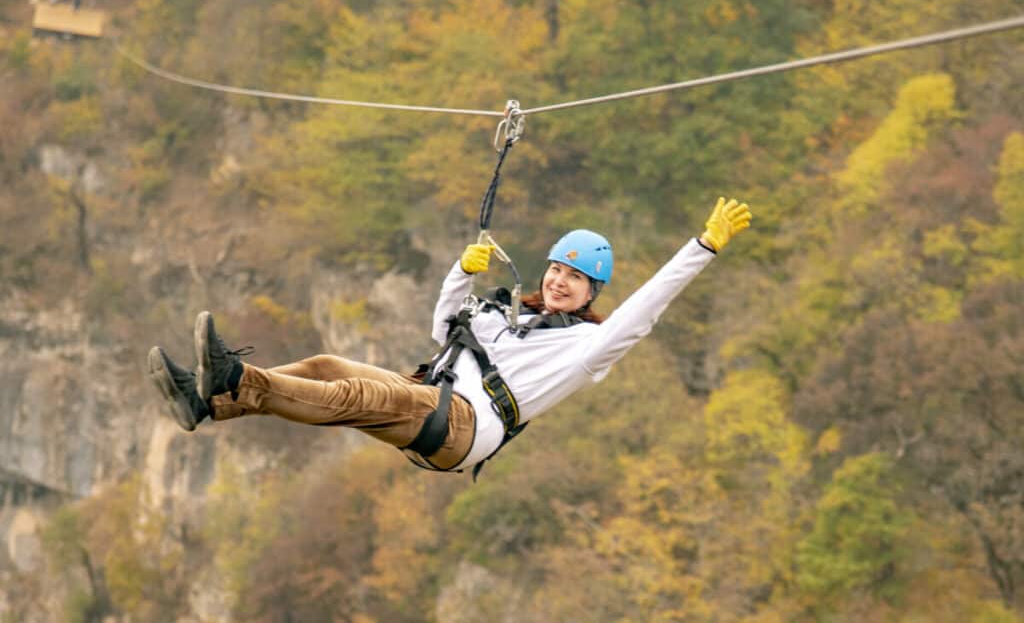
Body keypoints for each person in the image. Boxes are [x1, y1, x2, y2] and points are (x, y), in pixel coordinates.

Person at [147, 197, 751, 473]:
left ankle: (235, 379)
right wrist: (461, 274)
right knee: (330, 365)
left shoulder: (583, 350)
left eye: (578, 279)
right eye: (559, 270)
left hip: (463, 425)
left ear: (594, 294)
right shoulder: (508, 317)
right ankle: (208, 401)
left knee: (357, 399)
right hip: (432, 393)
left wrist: (700, 248)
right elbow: (443, 328)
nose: (563, 282)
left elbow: (640, 314)